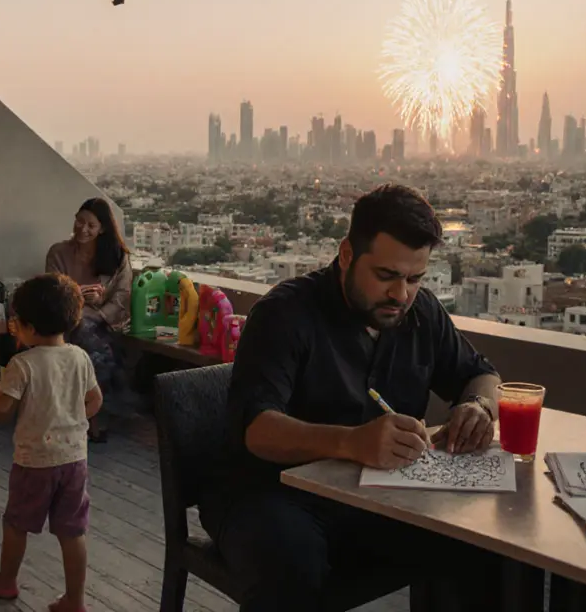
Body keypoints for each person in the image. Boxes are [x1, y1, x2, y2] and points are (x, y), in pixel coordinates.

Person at [200, 184, 505, 612]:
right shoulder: (285, 314)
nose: (401, 294)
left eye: (415, 279)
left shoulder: (421, 314)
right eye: (386, 276)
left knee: (482, 542)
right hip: (269, 494)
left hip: (376, 497)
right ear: (347, 254)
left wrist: (478, 406)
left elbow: (482, 375)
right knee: (291, 564)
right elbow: (257, 428)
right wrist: (352, 442)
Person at [0, 273, 102, 612]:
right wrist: (73, 424)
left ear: (27, 326)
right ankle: (75, 600)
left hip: (34, 462)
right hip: (74, 459)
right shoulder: (79, 357)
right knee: (72, 531)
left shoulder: (21, 365)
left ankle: (6, 580)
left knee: (17, 522)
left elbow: (1, 413)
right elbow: (95, 400)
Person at [45, 198, 132, 443]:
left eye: (90, 225)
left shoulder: (117, 258)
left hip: (104, 323)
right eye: (79, 221)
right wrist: (79, 295)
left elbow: (122, 299)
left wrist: (97, 307)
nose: (83, 229)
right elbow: (53, 292)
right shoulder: (58, 252)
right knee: (91, 342)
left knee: (92, 340)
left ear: (102, 229)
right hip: (67, 321)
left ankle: (87, 414)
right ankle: (94, 416)